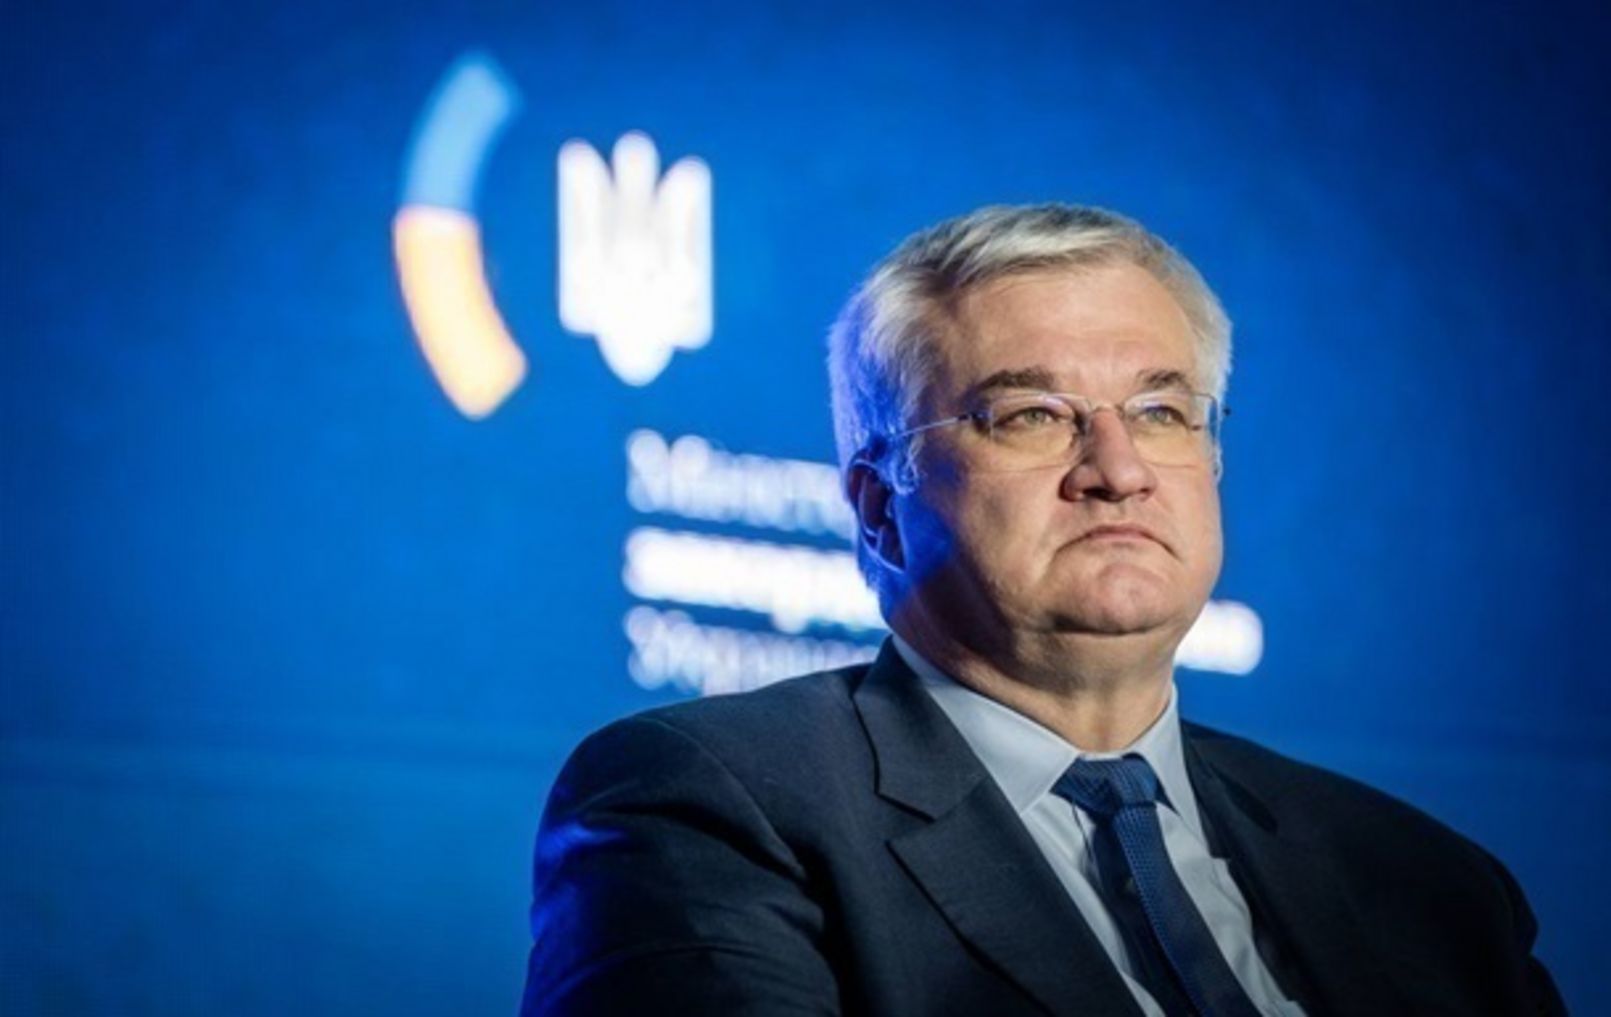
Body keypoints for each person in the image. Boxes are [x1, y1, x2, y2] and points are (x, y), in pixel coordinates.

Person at [519, 204, 1564, 1016]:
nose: (1118, 469)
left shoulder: (1432, 884)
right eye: (1030, 415)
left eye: (1161, 411)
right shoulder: (709, 806)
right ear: (880, 510)